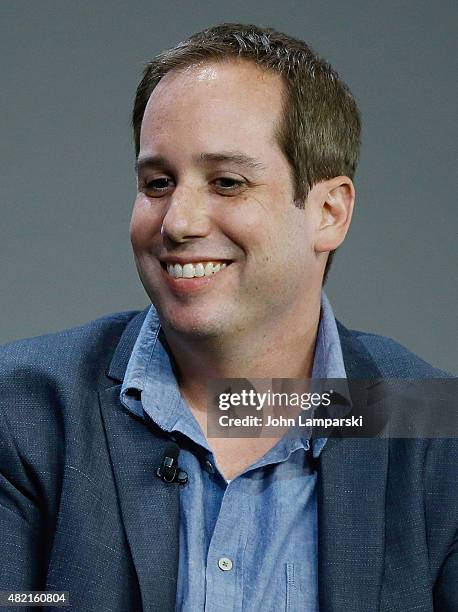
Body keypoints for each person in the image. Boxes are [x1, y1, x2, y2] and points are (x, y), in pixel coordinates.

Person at [0, 23, 456, 612]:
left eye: (227, 182)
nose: (178, 222)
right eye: (157, 182)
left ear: (329, 212)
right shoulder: (22, 411)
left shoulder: (432, 432)